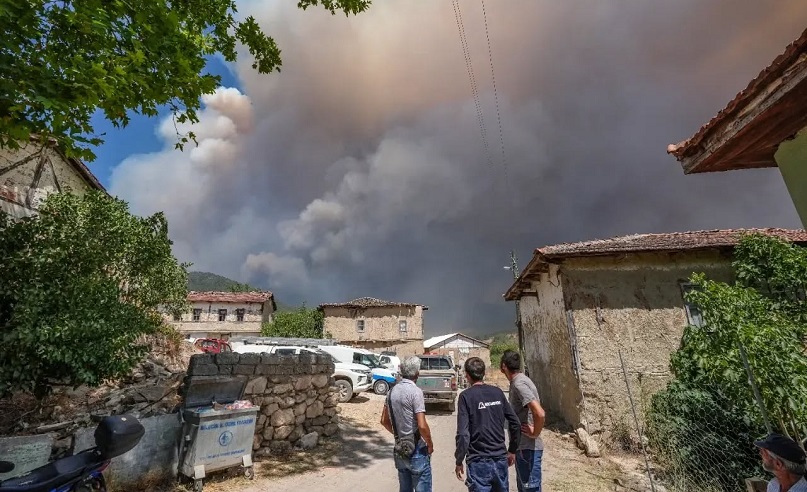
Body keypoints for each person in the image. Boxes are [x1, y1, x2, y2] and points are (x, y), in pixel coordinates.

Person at [455, 357, 521, 491]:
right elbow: (515, 423)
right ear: (483, 373)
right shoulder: (497, 393)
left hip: (478, 462)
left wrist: (459, 460)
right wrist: (512, 450)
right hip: (500, 460)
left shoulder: (466, 397)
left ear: (467, 375)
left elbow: (463, 434)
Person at [381, 355, 434, 492]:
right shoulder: (416, 392)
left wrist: (399, 435)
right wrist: (430, 443)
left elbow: (384, 421)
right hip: (417, 450)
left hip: (400, 449)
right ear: (417, 373)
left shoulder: (391, 392)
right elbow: (422, 425)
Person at [500, 350, 546, 492]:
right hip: (523, 449)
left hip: (528, 449)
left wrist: (534, 433)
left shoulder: (519, 384)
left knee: (529, 488)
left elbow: (540, 413)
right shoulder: (519, 380)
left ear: (503, 366)